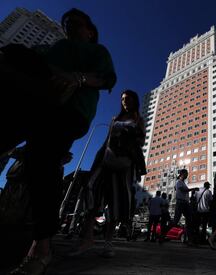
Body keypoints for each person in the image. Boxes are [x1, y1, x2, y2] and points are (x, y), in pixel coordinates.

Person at [4, 9, 116, 275]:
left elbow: (107, 79)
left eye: (77, 23)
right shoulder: (57, 47)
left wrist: (77, 78)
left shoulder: (97, 52)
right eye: (67, 24)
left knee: (41, 159)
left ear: (90, 30)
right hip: (35, 103)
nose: (70, 26)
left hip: (71, 111)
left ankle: (41, 247)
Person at [71, 89, 146, 258]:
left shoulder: (138, 120)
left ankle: (108, 243)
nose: (125, 101)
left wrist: (129, 135)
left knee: (115, 202)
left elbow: (141, 141)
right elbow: (107, 141)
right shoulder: (115, 119)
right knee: (92, 191)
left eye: (128, 98)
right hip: (105, 161)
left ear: (135, 101)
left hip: (123, 165)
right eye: (122, 99)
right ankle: (87, 239)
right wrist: (97, 159)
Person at [172, 169, 198, 245]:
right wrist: (193, 189)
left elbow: (185, 191)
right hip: (180, 203)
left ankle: (190, 240)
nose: (187, 175)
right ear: (182, 174)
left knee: (189, 220)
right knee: (176, 221)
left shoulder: (183, 183)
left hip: (185, 203)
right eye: (186, 173)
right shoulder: (178, 182)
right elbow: (183, 190)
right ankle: (163, 234)